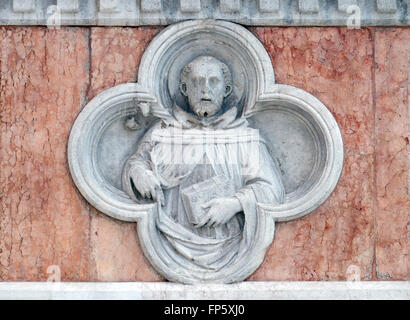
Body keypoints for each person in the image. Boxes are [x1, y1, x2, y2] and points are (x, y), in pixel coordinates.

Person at [122, 56, 284, 273]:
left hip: (228, 243)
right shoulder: (165, 131)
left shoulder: (245, 138)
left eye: (213, 82)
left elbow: (270, 189)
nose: (205, 89)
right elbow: (137, 161)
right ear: (184, 88)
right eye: (197, 82)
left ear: (226, 89)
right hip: (171, 237)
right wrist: (139, 173)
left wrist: (234, 204)